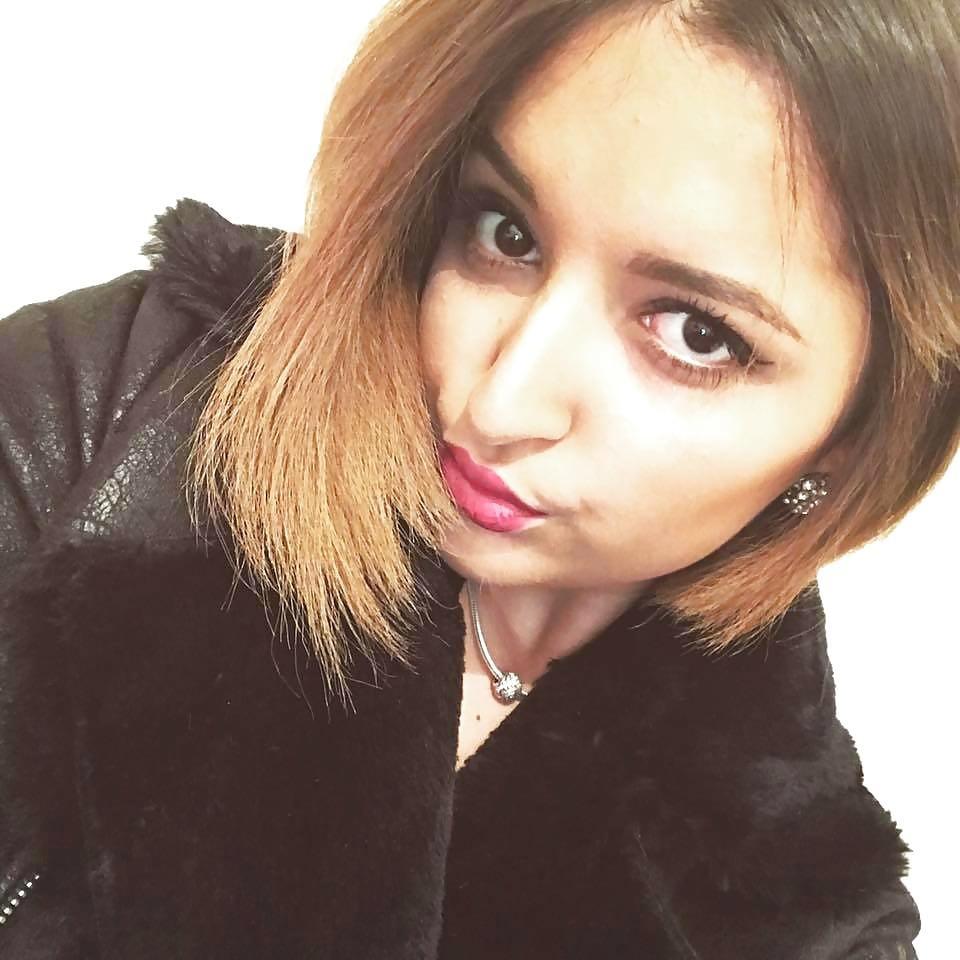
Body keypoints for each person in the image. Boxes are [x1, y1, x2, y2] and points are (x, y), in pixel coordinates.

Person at [1, 0, 956, 956]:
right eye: (506, 233)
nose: (497, 404)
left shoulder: (796, 906)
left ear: (856, 436)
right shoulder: (113, 404)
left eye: (696, 333)